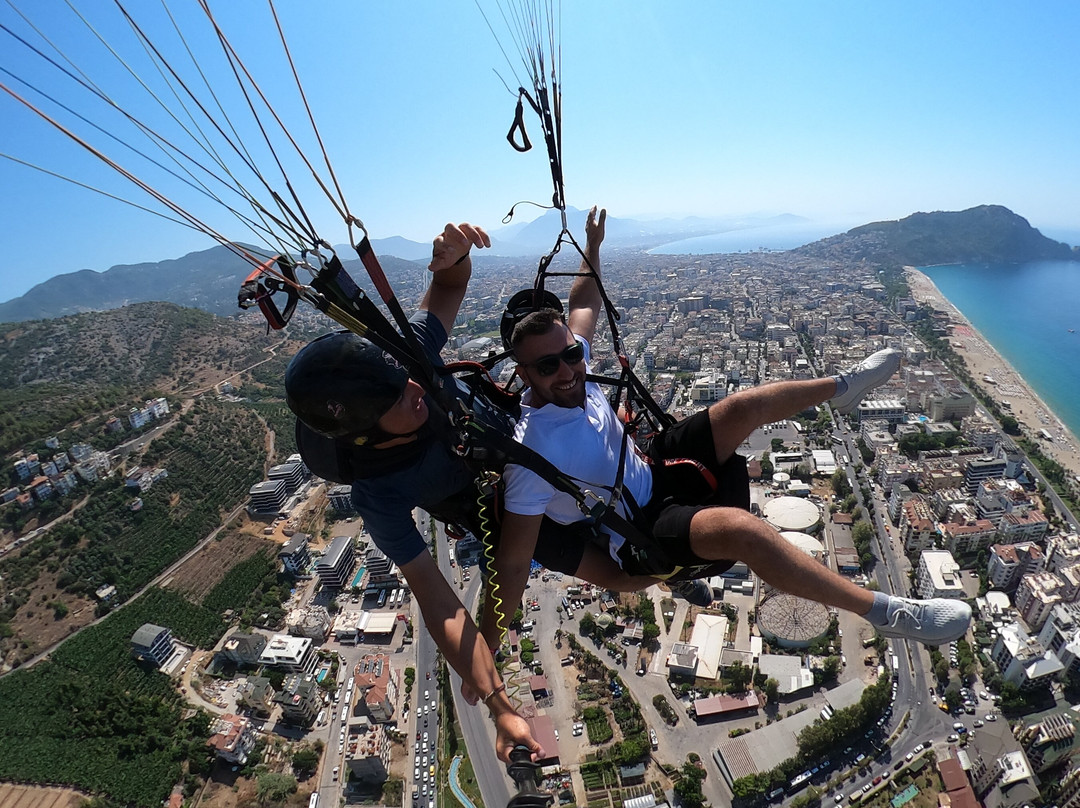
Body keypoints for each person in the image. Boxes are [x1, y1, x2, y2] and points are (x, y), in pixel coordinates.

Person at [483, 207, 972, 654]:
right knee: (744, 533)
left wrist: (592, 246)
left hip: (650, 464)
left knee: (741, 406)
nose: (568, 370)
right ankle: (886, 612)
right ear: (523, 373)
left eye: (570, 354)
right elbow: (512, 560)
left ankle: (843, 387)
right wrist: (487, 646)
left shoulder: (575, 364)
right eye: (549, 365)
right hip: (637, 524)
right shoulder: (531, 452)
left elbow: (583, 303)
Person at [284, 219, 662, 762]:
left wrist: (454, 258)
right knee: (624, 577)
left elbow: (449, 289)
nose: (416, 389)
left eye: (407, 380)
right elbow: (437, 602)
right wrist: (498, 702)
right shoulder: (378, 494)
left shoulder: (405, 359)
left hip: (523, 449)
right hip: (500, 509)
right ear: (363, 434)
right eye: (396, 401)